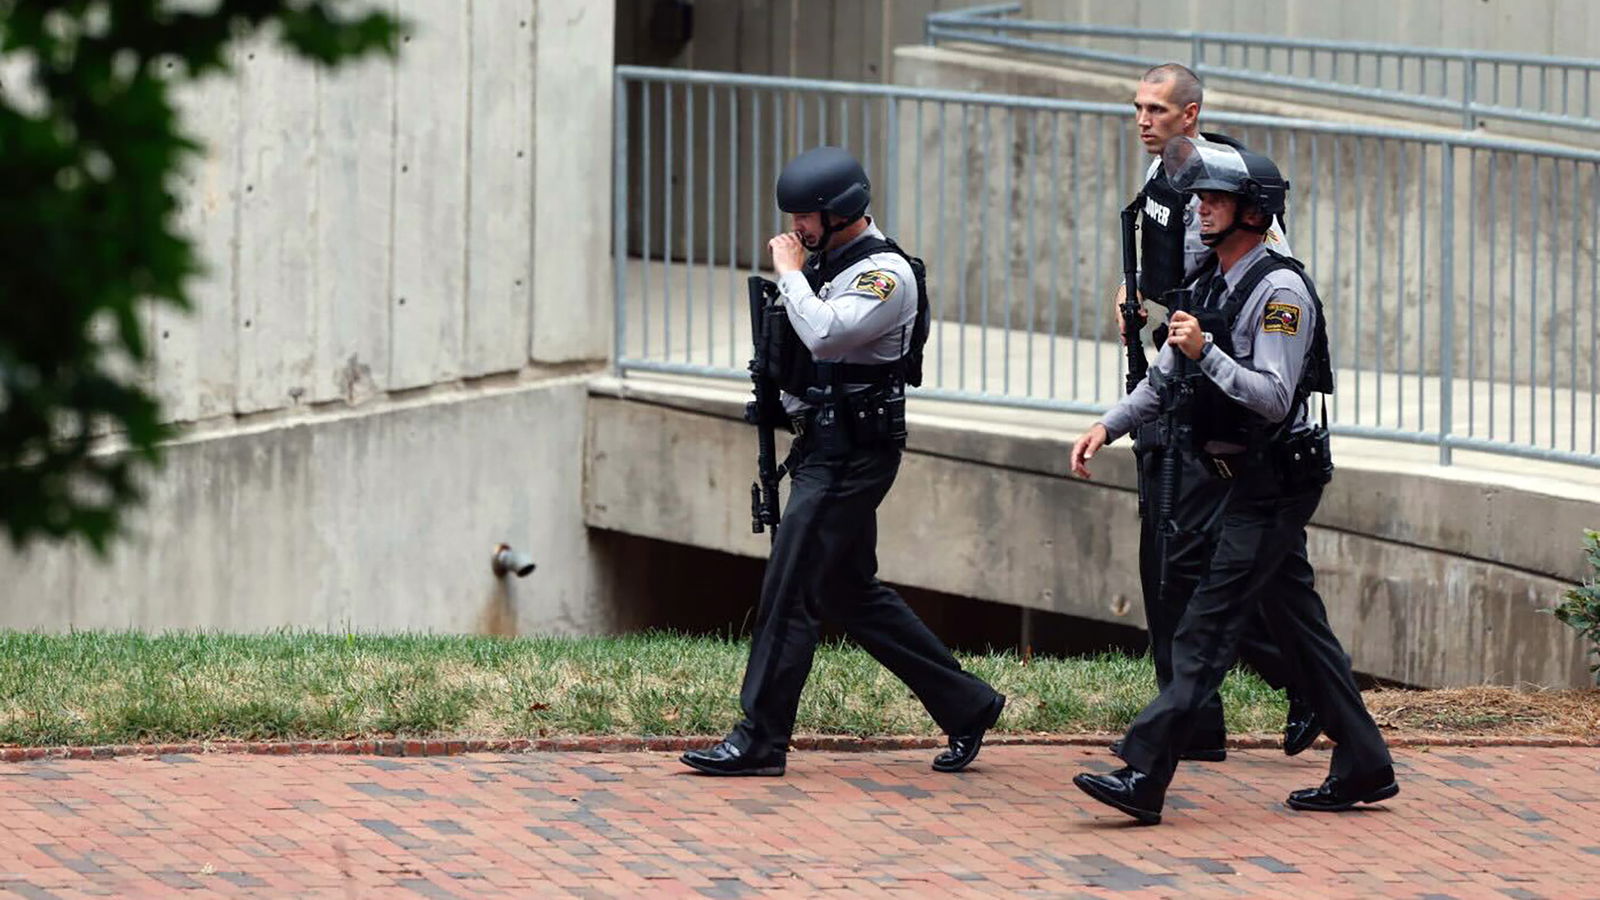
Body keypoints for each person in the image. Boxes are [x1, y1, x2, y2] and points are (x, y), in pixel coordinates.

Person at [1070, 137, 1397, 824]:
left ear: (1254, 210)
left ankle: (1144, 773)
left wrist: (1208, 351)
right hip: (1233, 477)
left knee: (1207, 625)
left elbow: (1274, 397)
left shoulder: (1280, 291)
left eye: (1216, 200)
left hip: (1273, 482)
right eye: (1201, 200)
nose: (1201, 210)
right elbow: (1163, 382)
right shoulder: (1209, 282)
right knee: (1301, 630)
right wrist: (1109, 426)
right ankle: (1365, 762)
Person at [680, 146, 1005, 777]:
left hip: (852, 452)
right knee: (846, 590)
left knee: (791, 587)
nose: (795, 230)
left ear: (839, 213)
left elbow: (828, 333)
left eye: (804, 217)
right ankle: (967, 704)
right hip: (824, 445)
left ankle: (760, 739)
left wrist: (789, 273)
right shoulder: (829, 259)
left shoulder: (884, 276)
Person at [1116, 63, 1319, 761]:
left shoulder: (1232, 188)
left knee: (1205, 563)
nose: (1143, 120)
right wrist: (1134, 290)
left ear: (1191, 114)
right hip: (1181, 385)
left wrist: (1206, 352)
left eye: (1157, 110)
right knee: (1191, 563)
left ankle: (1295, 691)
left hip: (1221, 404)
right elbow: (1170, 264)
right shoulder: (1161, 179)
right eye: (1138, 108)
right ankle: (1201, 722)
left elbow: (1269, 277)